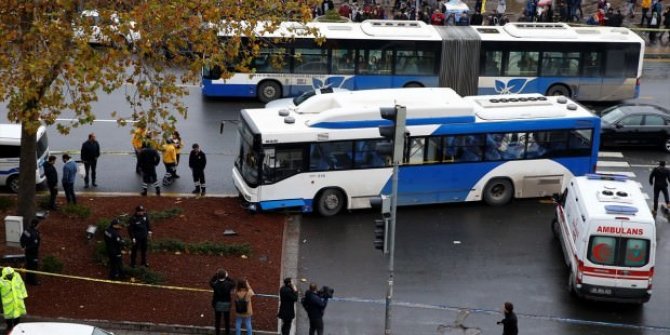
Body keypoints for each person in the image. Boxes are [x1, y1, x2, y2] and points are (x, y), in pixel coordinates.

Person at [0, 267, 28, 333]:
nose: (10, 276)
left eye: (11, 274)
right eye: (9, 275)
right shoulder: (1, 282)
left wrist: (24, 295)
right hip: (8, 305)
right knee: (9, 318)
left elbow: (22, 285)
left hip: (18, 301)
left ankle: (16, 329)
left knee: (17, 315)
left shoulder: (17, 276)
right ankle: (9, 328)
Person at [210, 269, 236, 335]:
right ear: (225, 276)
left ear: (218, 276)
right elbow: (234, 283)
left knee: (217, 320)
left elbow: (210, 282)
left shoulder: (215, 285)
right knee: (227, 320)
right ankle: (227, 333)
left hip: (217, 304)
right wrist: (227, 277)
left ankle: (217, 333)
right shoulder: (229, 284)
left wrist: (216, 275)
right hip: (226, 304)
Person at [19, 218, 41, 286]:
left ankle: (27, 280)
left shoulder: (26, 230)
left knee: (28, 265)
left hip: (27, 252)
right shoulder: (35, 234)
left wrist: (23, 247)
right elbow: (34, 245)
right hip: (33, 253)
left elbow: (22, 239)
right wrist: (27, 248)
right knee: (33, 267)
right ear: (36, 225)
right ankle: (33, 281)